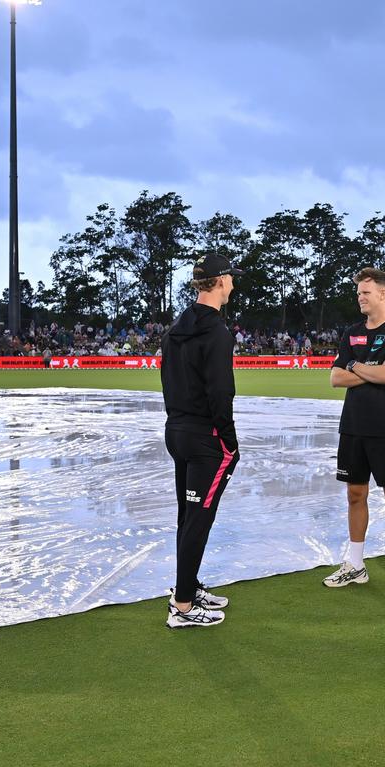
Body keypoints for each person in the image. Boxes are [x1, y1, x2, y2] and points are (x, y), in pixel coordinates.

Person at [159, 254, 243, 629]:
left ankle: (187, 586)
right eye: (231, 278)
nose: (234, 285)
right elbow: (220, 392)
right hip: (205, 436)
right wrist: (230, 441)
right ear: (221, 281)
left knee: (188, 514)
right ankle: (183, 606)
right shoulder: (217, 332)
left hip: (176, 429)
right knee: (198, 518)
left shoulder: (176, 327)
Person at [324, 267, 385, 598]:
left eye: (365, 293)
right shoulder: (351, 333)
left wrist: (354, 366)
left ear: (382, 294)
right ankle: (355, 565)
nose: (360, 298)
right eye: (358, 293)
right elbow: (335, 379)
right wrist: (369, 371)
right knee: (355, 495)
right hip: (352, 428)